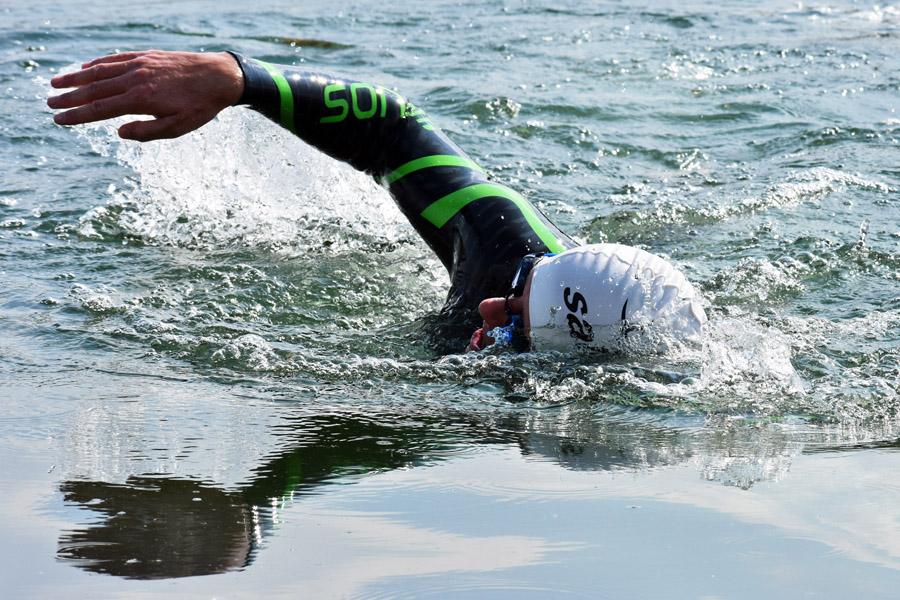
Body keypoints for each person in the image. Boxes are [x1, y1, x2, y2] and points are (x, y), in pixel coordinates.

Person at [47, 50, 706, 353]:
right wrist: (241, 80)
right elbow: (392, 129)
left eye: (510, 323)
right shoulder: (504, 248)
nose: (487, 303)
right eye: (518, 288)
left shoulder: (558, 402)